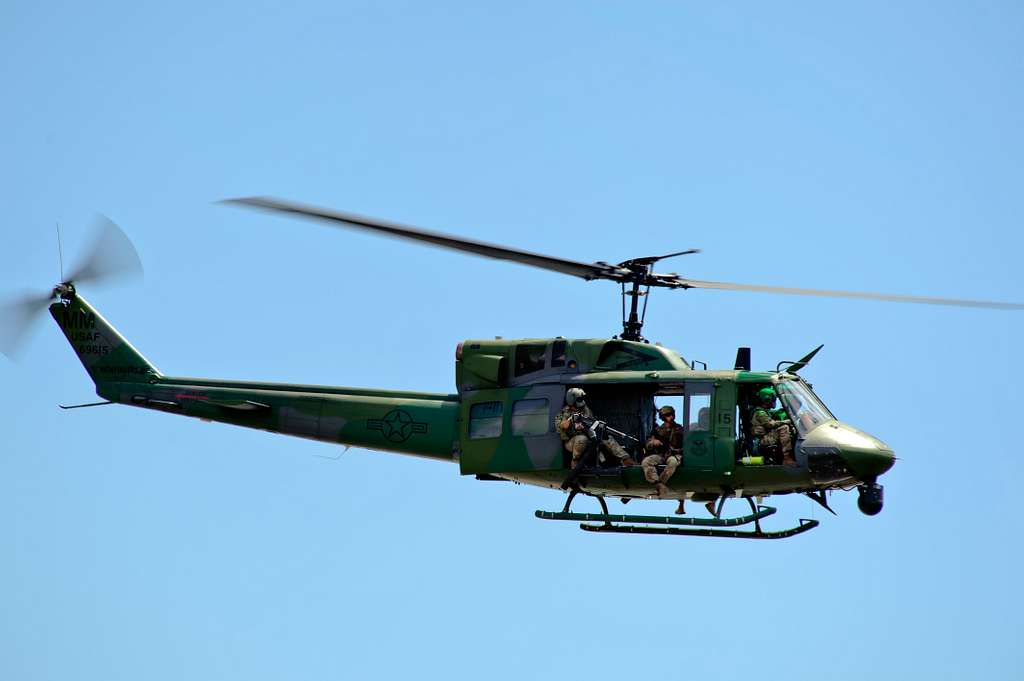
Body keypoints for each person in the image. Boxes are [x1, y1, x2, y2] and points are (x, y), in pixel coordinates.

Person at [556, 388, 635, 468]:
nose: (579, 407)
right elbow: (562, 425)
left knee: (606, 437)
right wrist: (572, 420)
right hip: (571, 443)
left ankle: (626, 459)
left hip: (589, 437)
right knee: (582, 439)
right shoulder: (564, 412)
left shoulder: (585, 409)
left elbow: (591, 422)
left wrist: (587, 426)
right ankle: (575, 461)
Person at [642, 405, 683, 497]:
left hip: (674, 454)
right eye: (668, 415)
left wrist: (676, 450)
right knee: (646, 461)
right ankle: (656, 482)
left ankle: (661, 483)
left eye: (672, 414)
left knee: (673, 462)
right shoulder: (657, 430)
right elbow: (647, 445)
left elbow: (685, 445)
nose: (671, 417)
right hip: (661, 455)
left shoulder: (679, 429)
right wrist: (653, 442)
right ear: (663, 417)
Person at [751, 387, 796, 465]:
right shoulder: (760, 413)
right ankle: (787, 458)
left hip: (764, 439)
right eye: (774, 399)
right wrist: (787, 421)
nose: (775, 401)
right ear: (767, 400)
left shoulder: (765, 412)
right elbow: (771, 424)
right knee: (784, 428)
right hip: (761, 442)